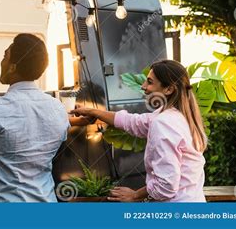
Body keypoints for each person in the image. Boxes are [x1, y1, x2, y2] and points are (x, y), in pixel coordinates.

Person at [71, 60, 207, 202]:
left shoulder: (164, 123)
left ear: (169, 89)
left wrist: (135, 195)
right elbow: (134, 122)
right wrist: (93, 111)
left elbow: (166, 185)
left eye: (150, 82)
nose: (143, 86)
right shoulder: (179, 116)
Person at [0, 34, 70, 202]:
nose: (1, 62)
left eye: (5, 56)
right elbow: (56, 158)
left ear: (12, 67)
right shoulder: (58, 108)